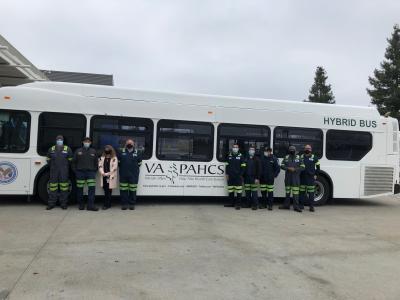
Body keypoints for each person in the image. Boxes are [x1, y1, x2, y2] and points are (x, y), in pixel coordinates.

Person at [46, 135, 73, 210]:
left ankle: (63, 204)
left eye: (61, 139)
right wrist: (53, 166)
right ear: (56, 140)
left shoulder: (67, 149)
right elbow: (48, 159)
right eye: (58, 139)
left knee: (64, 189)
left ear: (63, 140)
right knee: (52, 188)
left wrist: (65, 167)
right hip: (54, 172)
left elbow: (70, 160)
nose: (59, 141)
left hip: (64, 172)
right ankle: (51, 204)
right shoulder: (51, 149)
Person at [72, 137, 99, 211]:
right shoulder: (78, 151)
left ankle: (90, 206)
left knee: (91, 190)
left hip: (90, 173)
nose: (87, 142)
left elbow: (96, 163)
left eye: (88, 141)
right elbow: (73, 162)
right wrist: (76, 171)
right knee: (80, 190)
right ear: (83, 142)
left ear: (90, 143)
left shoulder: (93, 151)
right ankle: (81, 205)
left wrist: (94, 171)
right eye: (85, 141)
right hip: (80, 173)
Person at [118, 138, 142, 210]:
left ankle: (132, 204)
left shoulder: (138, 152)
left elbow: (139, 163)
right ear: (125, 144)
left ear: (133, 144)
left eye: (131, 143)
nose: (129, 144)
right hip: (123, 174)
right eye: (128, 143)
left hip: (133, 175)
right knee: (123, 190)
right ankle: (124, 204)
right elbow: (119, 163)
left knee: (133, 190)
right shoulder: (121, 152)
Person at [279, 145, 305, 212]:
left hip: (295, 178)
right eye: (290, 150)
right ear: (289, 151)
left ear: (295, 151)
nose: (292, 151)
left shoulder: (299, 158)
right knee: (287, 192)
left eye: (293, 150)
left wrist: (295, 169)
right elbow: (281, 165)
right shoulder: (286, 157)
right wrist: (288, 168)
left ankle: (296, 207)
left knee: (295, 193)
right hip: (288, 178)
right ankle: (286, 205)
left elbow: (303, 167)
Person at [224, 143, 246, 210]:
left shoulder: (241, 156)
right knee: (231, 190)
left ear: (238, 149)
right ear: (232, 148)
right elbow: (227, 166)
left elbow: (243, 167)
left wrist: (241, 175)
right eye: (234, 147)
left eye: (236, 147)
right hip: (230, 176)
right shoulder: (229, 156)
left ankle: (238, 204)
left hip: (238, 177)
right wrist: (227, 174)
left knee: (239, 191)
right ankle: (231, 203)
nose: (235, 148)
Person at [299, 145, 320, 212]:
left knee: (311, 193)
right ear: (304, 149)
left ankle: (311, 207)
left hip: (311, 178)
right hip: (302, 178)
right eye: (306, 148)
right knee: (302, 193)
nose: (307, 149)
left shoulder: (314, 157)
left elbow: (318, 167)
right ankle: (301, 205)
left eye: (309, 148)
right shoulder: (301, 157)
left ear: (311, 150)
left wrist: (316, 175)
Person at [98, 145, 118, 210]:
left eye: (108, 149)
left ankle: (107, 204)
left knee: (109, 191)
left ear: (111, 150)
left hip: (110, 177)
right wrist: (102, 172)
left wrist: (107, 173)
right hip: (104, 176)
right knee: (105, 190)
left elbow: (114, 168)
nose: (107, 150)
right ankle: (107, 203)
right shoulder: (102, 157)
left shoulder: (114, 158)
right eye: (106, 149)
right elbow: (100, 166)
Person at [243, 145, 260, 210]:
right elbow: (243, 167)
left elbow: (259, 170)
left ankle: (255, 205)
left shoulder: (257, 159)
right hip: (246, 178)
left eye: (253, 150)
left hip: (254, 178)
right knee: (247, 192)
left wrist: (257, 178)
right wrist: (242, 176)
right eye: (250, 149)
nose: (251, 151)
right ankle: (248, 204)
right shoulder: (245, 159)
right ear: (248, 151)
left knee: (254, 192)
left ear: (254, 151)